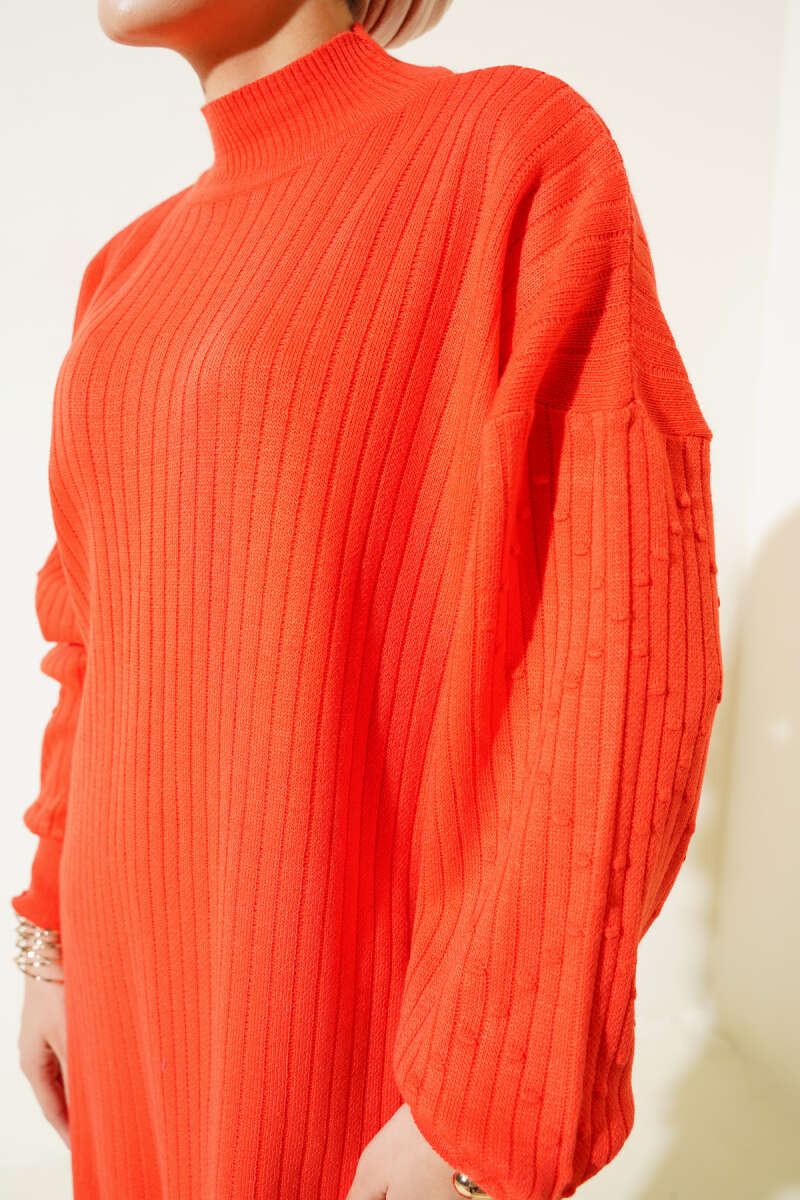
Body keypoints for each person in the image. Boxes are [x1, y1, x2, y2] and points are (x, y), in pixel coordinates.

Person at [12, 1, 724, 1198]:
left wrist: (487, 1094)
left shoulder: (504, 146)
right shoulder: (124, 271)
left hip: (338, 999)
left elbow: (612, 643)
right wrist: (51, 944)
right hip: (129, 981)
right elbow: (92, 637)